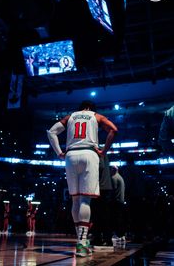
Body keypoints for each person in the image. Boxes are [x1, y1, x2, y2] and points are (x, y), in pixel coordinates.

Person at [46, 100, 118, 257]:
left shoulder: (70, 116)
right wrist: (104, 150)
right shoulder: (96, 116)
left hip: (71, 155)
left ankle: (80, 241)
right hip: (89, 154)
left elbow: (51, 132)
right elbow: (114, 130)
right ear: (91, 108)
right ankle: (82, 242)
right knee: (85, 201)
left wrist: (59, 152)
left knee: (75, 200)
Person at [90, 154, 113, 246]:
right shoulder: (103, 151)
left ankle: (99, 238)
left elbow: (100, 166)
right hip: (104, 187)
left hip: (100, 187)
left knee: (98, 215)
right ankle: (105, 238)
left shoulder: (97, 151)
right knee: (104, 215)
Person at [110, 165, 126, 246]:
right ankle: (122, 235)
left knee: (116, 219)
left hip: (116, 201)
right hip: (121, 201)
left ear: (114, 169)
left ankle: (117, 235)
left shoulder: (114, 178)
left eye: (110, 169)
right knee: (120, 218)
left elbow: (113, 190)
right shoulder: (121, 178)